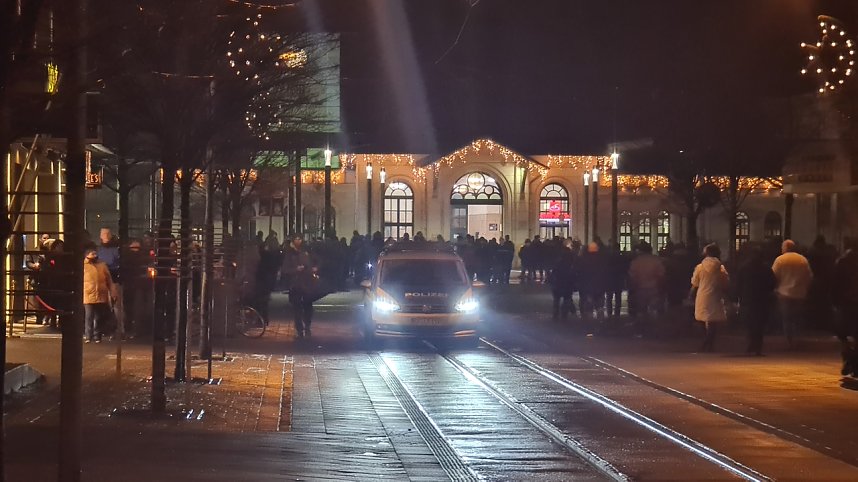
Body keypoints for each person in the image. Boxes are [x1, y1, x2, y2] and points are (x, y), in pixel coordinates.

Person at [772, 239, 813, 349]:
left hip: (784, 293)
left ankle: (788, 340)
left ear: (785, 248)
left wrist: (776, 288)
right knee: (797, 318)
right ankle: (797, 339)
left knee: (786, 318)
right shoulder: (802, 260)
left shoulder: (780, 260)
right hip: (800, 293)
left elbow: (774, 276)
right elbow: (809, 276)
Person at [736, 244, 776, 356]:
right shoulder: (766, 268)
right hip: (762, 299)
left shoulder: (744, 267)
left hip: (748, 299)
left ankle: (751, 343)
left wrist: (738, 296)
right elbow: (772, 283)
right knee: (760, 323)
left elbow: (738, 283)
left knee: (750, 322)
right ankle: (758, 346)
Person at [691, 244, 729, 352]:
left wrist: (690, 295)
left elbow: (695, 283)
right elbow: (725, 282)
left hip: (702, 295)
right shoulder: (720, 267)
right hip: (716, 295)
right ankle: (709, 343)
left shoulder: (700, 267)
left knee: (701, 319)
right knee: (713, 321)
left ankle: (705, 341)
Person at [281, 234, 317, 338]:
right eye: (296, 239)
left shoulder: (307, 251)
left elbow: (316, 261)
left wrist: (314, 268)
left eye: (300, 239)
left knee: (307, 306)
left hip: (307, 283)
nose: (298, 241)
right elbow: (285, 269)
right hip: (295, 284)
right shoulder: (289, 254)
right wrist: (295, 270)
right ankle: (299, 329)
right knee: (297, 308)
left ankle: (307, 326)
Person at [627, 242, 665, 336]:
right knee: (654, 309)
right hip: (653, 288)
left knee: (641, 310)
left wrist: (633, 289)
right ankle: (654, 329)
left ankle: (642, 330)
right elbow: (661, 275)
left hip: (640, 289)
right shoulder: (656, 261)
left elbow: (632, 277)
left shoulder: (636, 261)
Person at [833, 238, 858, 377]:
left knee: (843, 334)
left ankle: (848, 359)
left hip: (846, 303)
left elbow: (836, 284)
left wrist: (835, 301)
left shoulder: (842, 261)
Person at [83, 245, 116, 343]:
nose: (95, 255)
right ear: (87, 255)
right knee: (89, 316)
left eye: (95, 253)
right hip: (88, 294)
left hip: (101, 294)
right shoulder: (83, 266)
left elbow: (109, 279)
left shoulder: (102, 265)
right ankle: (88, 336)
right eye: (92, 253)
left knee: (98, 317)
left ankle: (97, 335)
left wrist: (112, 290)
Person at [550, 239, 576, 321]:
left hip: (558, 282)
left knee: (556, 299)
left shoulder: (558, 261)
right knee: (566, 298)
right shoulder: (571, 262)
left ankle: (556, 313)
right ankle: (564, 314)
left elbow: (554, 271)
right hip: (567, 283)